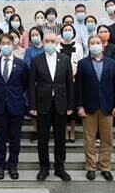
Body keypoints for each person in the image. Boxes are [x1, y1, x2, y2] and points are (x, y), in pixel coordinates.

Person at [28, 31, 75, 182]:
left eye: (52, 41)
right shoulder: (36, 60)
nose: (49, 43)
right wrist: (32, 105)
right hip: (43, 104)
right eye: (47, 41)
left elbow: (69, 83)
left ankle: (60, 167)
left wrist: (70, 104)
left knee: (60, 138)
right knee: (43, 138)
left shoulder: (65, 59)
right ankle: (44, 167)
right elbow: (31, 85)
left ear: (57, 43)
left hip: (61, 104)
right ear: (43, 42)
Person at [75, 35, 115, 181]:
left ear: (102, 45)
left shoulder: (112, 63)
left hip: (107, 106)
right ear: (88, 46)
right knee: (89, 139)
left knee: (107, 139)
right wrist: (79, 106)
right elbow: (79, 87)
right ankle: (91, 167)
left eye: (97, 43)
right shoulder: (82, 63)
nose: (95, 45)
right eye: (92, 43)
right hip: (88, 107)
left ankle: (105, 167)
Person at [0, 33, 28, 180]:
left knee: (15, 137)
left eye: (8, 43)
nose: (6, 46)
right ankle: (0, 165)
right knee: (0, 137)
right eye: (3, 43)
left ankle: (12, 165)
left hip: (16, 105)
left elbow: (24, 84)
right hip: (0, 105)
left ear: (13, 44)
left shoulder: (21, 64)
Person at [57, 23, 84, 143]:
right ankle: (64, 130)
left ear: (73, 32)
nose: (67, 31)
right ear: (62, 33)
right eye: (65, 30)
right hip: (61, 80)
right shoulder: (57, 46)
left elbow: (80, 61)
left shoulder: (78, 46)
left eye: (69, 29)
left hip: (74, 79)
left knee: (72, 104)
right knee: (63, 105)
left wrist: (73, 75)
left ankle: (72, 130)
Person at [23, 26, 45, 143]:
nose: (35, 37)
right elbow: (26, 66)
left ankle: (44, 131)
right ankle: (36, 131)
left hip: (45, 83)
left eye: (37, 34)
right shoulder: (29, 50)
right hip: (33, 83)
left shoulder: (47, 48)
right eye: (32, 35)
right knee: (33, 108)